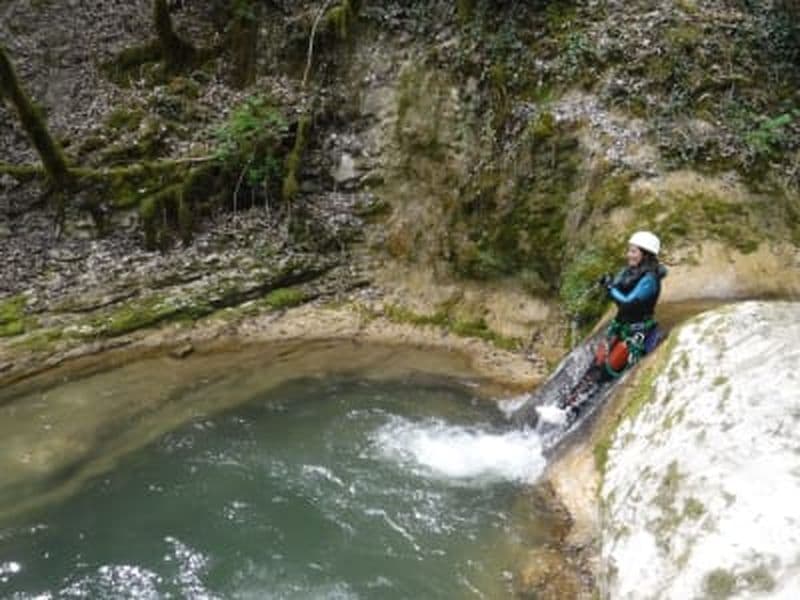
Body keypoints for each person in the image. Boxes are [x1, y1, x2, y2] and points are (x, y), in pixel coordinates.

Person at [594, 230, 667, 380]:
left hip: (636, 332)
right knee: (598, 363)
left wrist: (610, 288)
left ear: (645, 255)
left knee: (606, 372)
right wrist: (607, 283)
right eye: (629, 250)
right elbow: (616, 289)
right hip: (621, 325)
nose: (629, 255)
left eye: (633, 251)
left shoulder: (650, 280)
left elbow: (627, 304)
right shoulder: (629, 271)